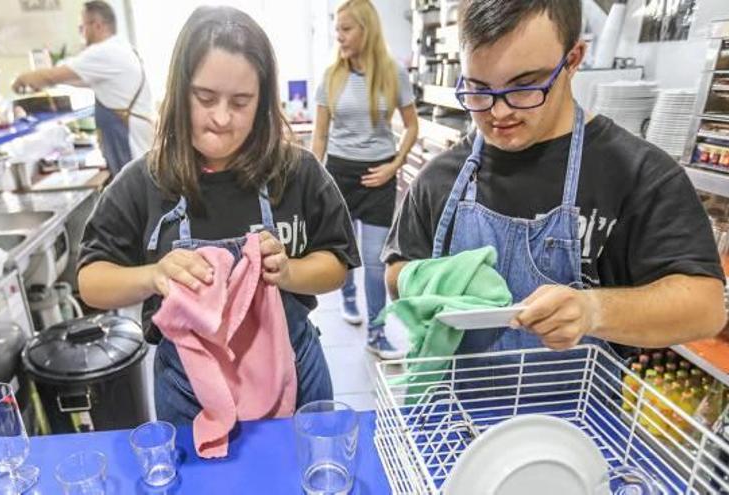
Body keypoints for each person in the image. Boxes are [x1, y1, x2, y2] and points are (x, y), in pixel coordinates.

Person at [383, 0, 726, 356]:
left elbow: (705, 308)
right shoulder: (441, 178)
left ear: (574, 59)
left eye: (523, 86)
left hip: (575, 408)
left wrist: (593, 310)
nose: (499, 112)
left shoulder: (639, 176)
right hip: (454, 402)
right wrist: (435, 281)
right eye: (479, 89)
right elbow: (396, 272)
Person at [76, 6, 360, 425]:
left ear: (263, 101)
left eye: (241, 102)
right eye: (205, 98)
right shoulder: (144, 182)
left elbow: (336, 265)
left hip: (293, 373)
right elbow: (91, 282)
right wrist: (153, 276)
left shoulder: (297, 172)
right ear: (178, 91)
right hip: (190, 391)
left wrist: (289, 272)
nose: (222, 119)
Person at [312, 0, 418, 359]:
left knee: (375, 260)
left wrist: (395, 165)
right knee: (346, 252)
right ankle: (347, 297)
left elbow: (411, 126)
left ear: (366, 30)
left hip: (379, 175)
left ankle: (376, 332)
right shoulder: (331, 76)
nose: (338, 36)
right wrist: (317, 178)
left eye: (346, 29)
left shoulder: (393, 73)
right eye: (337, 29)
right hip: (340, 172)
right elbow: (321, 135)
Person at [11, 0, 154, 175]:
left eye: (82, 27)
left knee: (135, 194)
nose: (81, 33)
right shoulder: (119, 48)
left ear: (97, 25)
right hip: (134, 147)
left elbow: (51, 75)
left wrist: (22, 79)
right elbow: (71, 78)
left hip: (131, 148)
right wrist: (45, 81)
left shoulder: (104, 52)